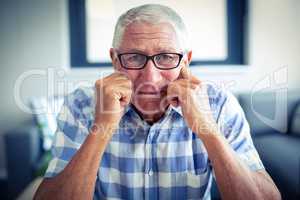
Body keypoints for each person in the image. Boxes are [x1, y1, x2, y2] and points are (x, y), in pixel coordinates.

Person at [34, 4, 281, 200]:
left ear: (186, 60)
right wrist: (102, 129)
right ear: (115, 59)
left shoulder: (219, 104)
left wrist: (208, 128)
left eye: (165, 57)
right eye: (133, 57)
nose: (150, 77)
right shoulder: (81, 105)